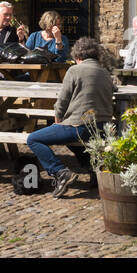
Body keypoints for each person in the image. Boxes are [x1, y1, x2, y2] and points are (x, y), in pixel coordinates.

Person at [26, 37, 114, 197]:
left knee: (33, 139)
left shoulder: (74, 71)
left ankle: (60, 172)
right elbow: (113, 88)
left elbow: (62, 101)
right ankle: (93, 169)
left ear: (77, 56)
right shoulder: (105, 72)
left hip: (80, 125)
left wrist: (58, 119)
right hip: (102, 127)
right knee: (72, 139)